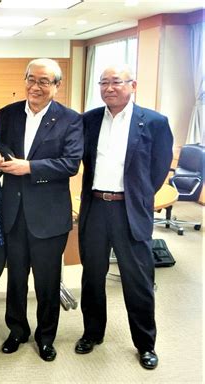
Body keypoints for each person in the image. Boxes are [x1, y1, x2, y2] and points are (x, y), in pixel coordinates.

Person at [75, 64, 173, 370]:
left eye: (116, 82)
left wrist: (139, 196)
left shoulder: (154, 122)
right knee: (92, 276)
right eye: (103, 83)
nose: (109, 88)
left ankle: (145, 344)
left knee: (138, 279)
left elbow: (159, 167)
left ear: (133, 85)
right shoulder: (89, 120)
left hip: (129, 209)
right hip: (95, 206)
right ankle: (92, 333)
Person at [0, 58, 83, 361]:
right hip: (14, 212)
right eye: (31, 79)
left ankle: (46, 337)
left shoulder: (70, 119)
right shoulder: (8, 114)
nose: (35, 86)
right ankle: (16, 330)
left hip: (49, 215)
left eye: (44, 81)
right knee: (16, 278)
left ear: (57, 86)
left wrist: (29, 167)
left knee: (46, 282)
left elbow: (70, 163)